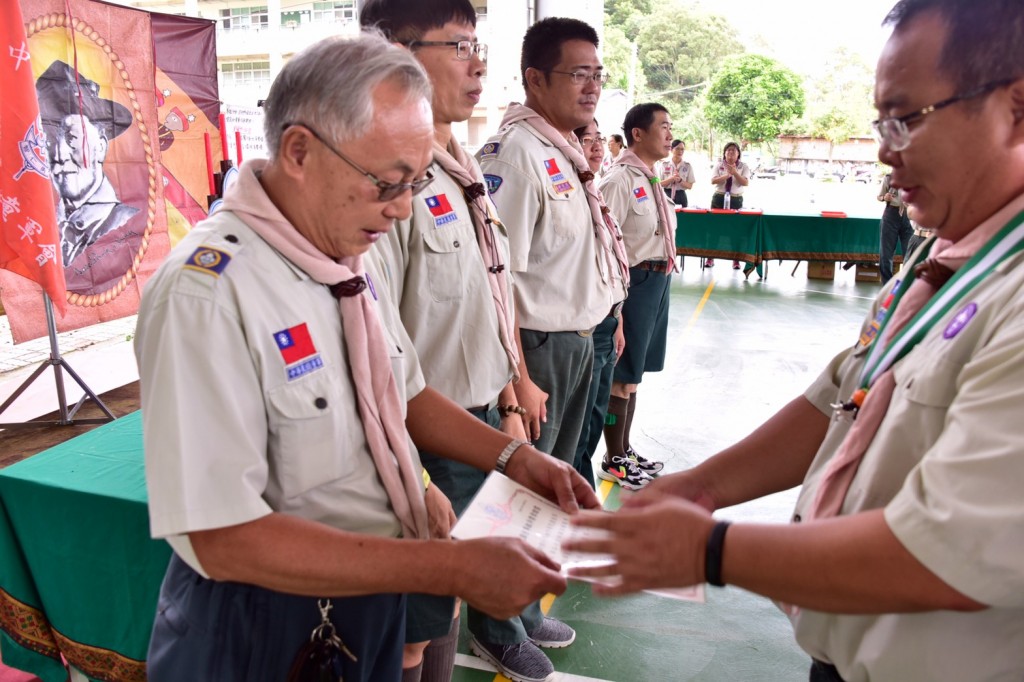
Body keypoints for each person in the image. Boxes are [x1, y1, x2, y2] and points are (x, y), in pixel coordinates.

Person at [567, 2, 1024, 681]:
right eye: (880, 122)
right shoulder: (949, 255)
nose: (884, 149)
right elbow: (846, 395)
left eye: (906, 118)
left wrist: (711, 550)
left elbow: (949, 551)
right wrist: (700, 487)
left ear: (1015, 108)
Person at [134, 33, 599, 682]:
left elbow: (402, 394)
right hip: (266, 623)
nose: (402, 208)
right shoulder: (209, 292)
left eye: (414, 183)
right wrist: (451, 568)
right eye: (387, 183)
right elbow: (222, 536)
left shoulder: (345, 256)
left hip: (367, 595)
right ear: (299, 151)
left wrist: (515, 457)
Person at [357, 2, 551, 681]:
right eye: (459, 45)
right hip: (421, 435)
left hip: (475, 416)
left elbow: (486, 296)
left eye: (480, 46)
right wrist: (411, 466)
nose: (478, 64)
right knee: (413, 627)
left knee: (444, 604)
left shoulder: (464, 171)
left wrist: (509, 397)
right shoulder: (384, 179)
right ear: (397, 53)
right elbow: (377, 343)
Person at [474, 18, 629, 679]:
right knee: (518, 492)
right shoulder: (514, 154)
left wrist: (607, 316)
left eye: (599, 73)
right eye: (577, 73)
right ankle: (495, 626)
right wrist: (516, 379)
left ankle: (526, 606)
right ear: (535, 79)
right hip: (537, 349)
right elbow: (496, 274)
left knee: (553, 485)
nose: (592, 87)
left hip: (577, 338)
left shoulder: (566, 151)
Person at [597, 103, 675, 490]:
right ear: (637, 133)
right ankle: (612, 458)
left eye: (670, 125)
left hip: (658, 281)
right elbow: (605, 240)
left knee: (633, 377)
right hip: (634, 283)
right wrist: (617, 302)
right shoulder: (620, 179)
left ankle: (624, 450)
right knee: (620, 375)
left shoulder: (652, 178)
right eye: (662, 125)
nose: (669, 132)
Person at [34, 60, 140, 270]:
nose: (59, 154)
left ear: (100, 146)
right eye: (49, 139)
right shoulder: (41, 228)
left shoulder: (127, 221)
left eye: (72, 137)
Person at [570, 119, 627, 489]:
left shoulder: (595, 193)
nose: (595, 148)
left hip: (608, 322)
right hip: (583, 327)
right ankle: (578, 491)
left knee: (594, 417)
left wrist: (619, 318)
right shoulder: (570, 194)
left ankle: (583, 481)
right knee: (575, 426)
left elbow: (610, 262)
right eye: (586, 140)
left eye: (598, 140)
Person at [707, 141, 751, 272]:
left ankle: (735, 260)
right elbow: (713, 181)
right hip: (719, 198)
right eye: (728, 150)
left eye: (734, 150)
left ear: (738, 154)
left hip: (736, 199)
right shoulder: (719, 165)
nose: (731, 153)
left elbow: (745, 182)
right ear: (724, 153)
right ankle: (711, 258)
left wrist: (735, 173)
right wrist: (727, 175)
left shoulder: (744, 166)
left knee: (735, 230)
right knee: (715, 228)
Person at [877, 171, 913, 283]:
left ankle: (906, 283)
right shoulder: (889, 178)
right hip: (891, 214)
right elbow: (879, 196)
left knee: (909, 253)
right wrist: (884, 197)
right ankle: (887, 284)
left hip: (909, 215)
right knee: (886, 254)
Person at [659, 139, 695, 207]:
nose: (680, 151)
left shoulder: (687, 166)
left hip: (681, 195)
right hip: (667, 194)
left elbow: (690, 186)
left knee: (682, 217)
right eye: (677, 149)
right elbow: (659, 184)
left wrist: (680, 180)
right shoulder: (664, 165)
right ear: (671, 149)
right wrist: (671, 179)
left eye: (682, 149)